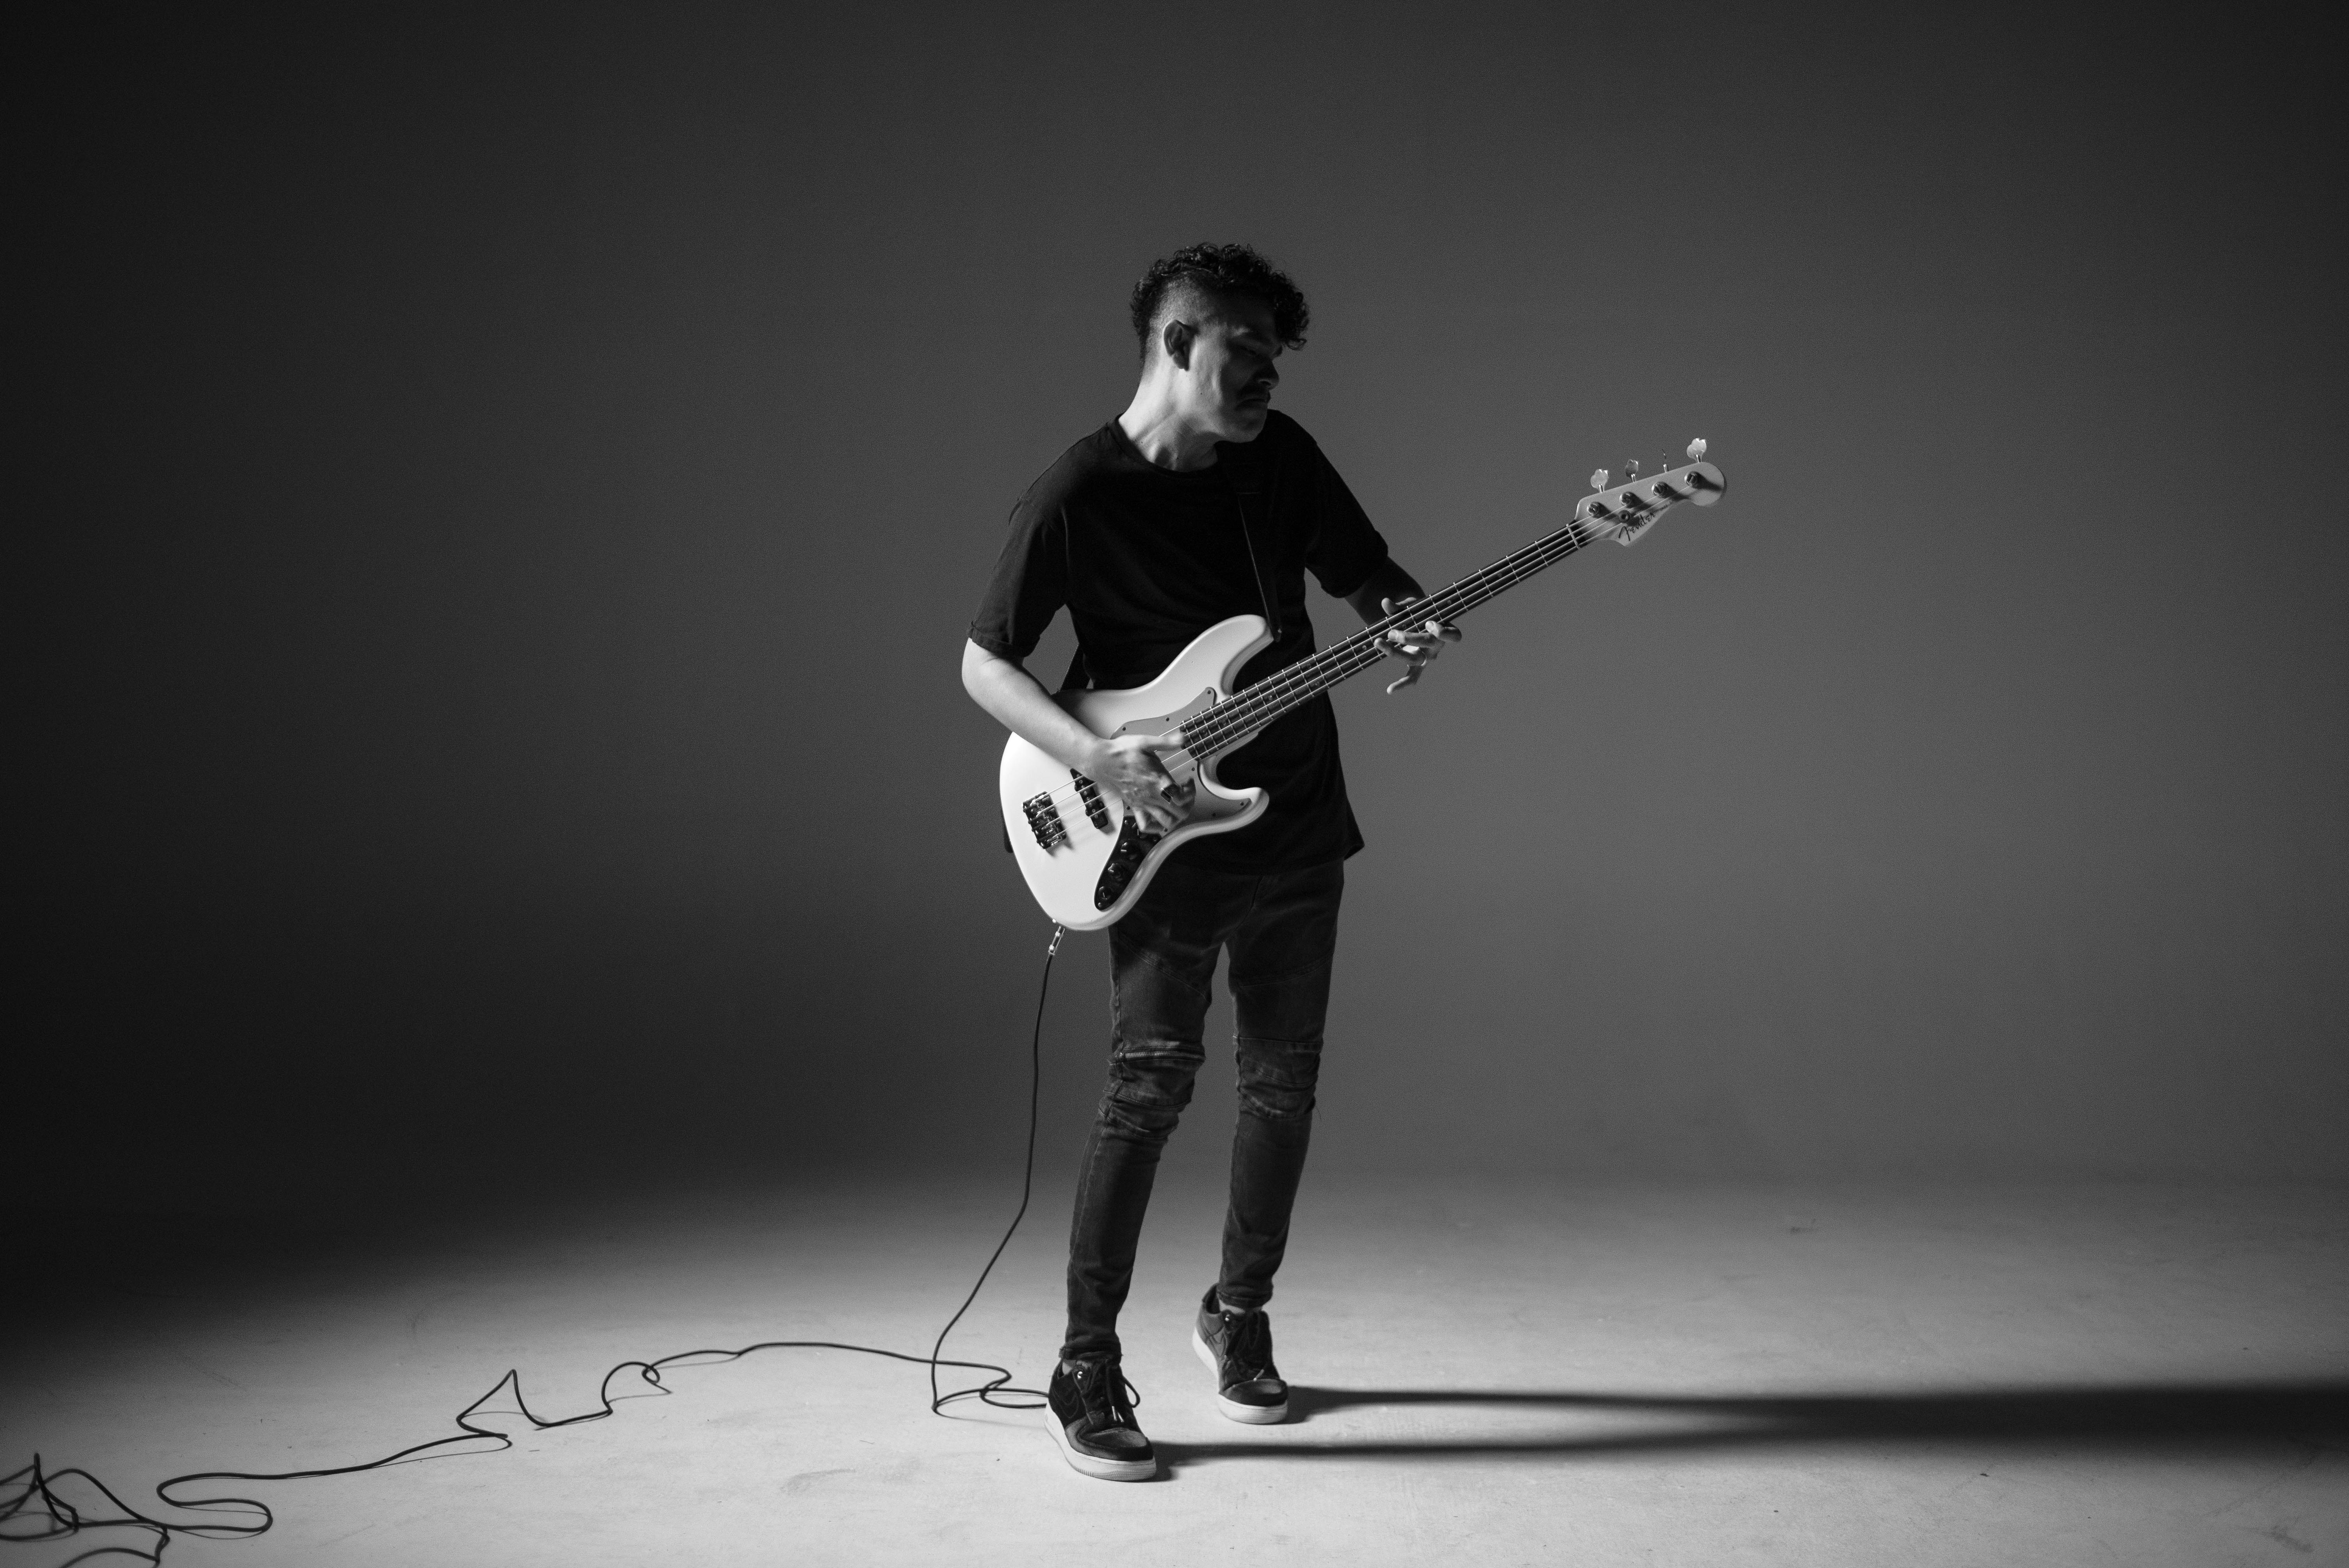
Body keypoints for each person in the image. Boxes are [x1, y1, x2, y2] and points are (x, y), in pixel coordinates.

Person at [962, 242, 1458, 1482]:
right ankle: (1084, 1362)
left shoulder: (1277, 462)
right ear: (1179, 343)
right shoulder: (1077, 492)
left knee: (1283, 1087)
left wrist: (1400, 609)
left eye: (1277, 360)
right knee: (1148, 1087)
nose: (1267, 381)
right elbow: (985, 662)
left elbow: (1363, 571)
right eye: (1247, 354)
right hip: (1160, 837)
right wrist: (1096, 754)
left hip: (1296, 823)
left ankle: (1238, 1315)